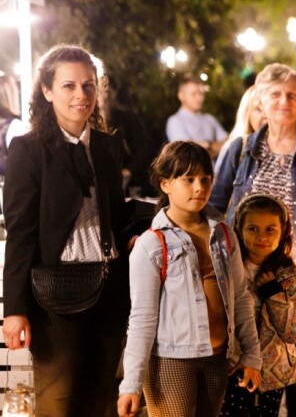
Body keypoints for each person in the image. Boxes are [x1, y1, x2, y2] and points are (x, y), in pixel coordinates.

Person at [1, 44, 138, 417]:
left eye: (89, 85)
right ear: (47, 91)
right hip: (55, 295)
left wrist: (139, 229)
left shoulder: (108, 145)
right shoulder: (29, 150)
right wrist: (13, 308)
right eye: (69, 86)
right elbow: (21, 232)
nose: (81, 95)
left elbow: (114, 211)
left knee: (102, 399)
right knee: (59, 403)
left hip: (110, 288)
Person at [209, 63, 296, 417]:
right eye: (276, 94)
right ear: (261, 99)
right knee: (239, 352)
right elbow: (214, 205)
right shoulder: (240, 149)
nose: (284, 101)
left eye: (292, 94)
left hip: (294, 270)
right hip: (242, 268)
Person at [117, 141, 261, 417]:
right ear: (165, 184)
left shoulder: (224, 234)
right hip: (171, 359)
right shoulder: (151, 244)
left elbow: (241, 296)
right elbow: (142, 318)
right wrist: (131, 384)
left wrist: (251, 355)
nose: (199, 188)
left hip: (218, 357)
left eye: (205, 179)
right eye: (188, 179)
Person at [220, 193, 296, 416]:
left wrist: (274, 294)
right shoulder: (226, 270)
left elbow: (294, 333)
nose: (262, 236)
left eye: (270, 229)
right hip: (230, 368)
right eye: (253, 229)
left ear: (283, 231)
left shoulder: (289, 276)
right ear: (239, 230)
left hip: (270, 375)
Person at [166, 75, 229, 159]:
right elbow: (187, 154)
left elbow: (229, 143)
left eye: (201, 93)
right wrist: (216, 146)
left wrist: (207, 146)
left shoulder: (209, 119)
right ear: (181, 96)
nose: (200, 98)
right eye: (194, 94)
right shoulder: (174, 121)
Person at [215, 85, 266, 171]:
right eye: (259, 109)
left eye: (269, 109)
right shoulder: (234, 149)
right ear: (247, 113)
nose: (265, 115)